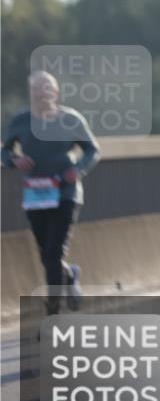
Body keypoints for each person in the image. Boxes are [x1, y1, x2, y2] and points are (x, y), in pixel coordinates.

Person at [2, 70, 100, 315]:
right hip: (36, 196)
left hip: (66, 193)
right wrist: (15, 159)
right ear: (30, 92)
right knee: (47, 255)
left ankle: (53, 314)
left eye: (47, 87)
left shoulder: (70, 119)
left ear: (55, 93)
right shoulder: (21, 121)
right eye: (36, 88)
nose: (41, 92)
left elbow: (92, 150)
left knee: (54, 251)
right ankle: (69, 276)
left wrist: (77, 169)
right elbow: (4, 152)